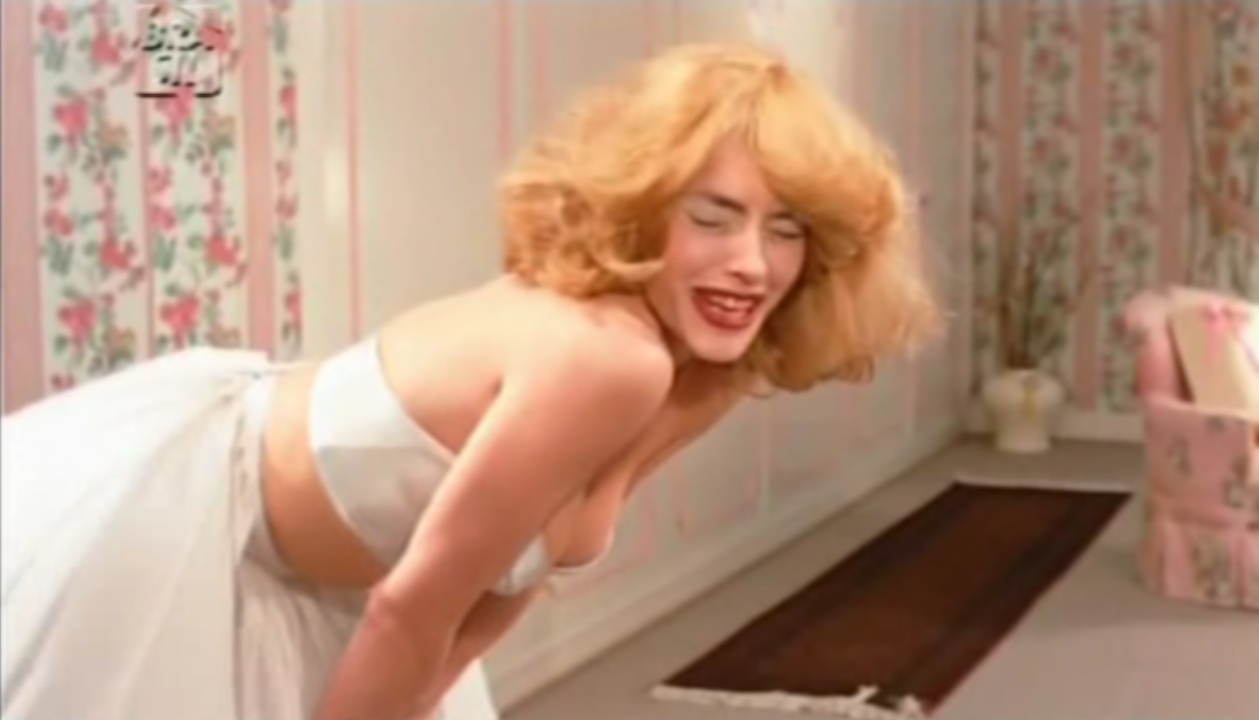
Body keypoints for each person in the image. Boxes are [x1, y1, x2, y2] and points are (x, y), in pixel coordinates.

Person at [0, 41, 940, 720]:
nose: (752, 264)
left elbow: (504, 583)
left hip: (329, 592)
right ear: (644, 209)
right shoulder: (606, 357)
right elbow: (410, 611)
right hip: (187, 515)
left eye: (786, 230)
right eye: (714, 217)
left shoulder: (707, 375)